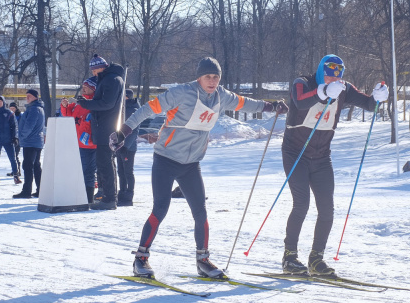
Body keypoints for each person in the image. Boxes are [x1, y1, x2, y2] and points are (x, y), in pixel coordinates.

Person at [109, 57, 289, 278]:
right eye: (207, 77)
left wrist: (272, 106)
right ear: (199, 77)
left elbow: (244, 103)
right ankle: (141, 259)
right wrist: (123, 131)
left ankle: (203, 260)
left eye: (216, 77)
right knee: (161, 208)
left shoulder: (222, 96)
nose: (212, 81)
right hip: (165, 159)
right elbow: (148, 109)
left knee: (200, 211)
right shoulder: (182, 93)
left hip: (191, 164)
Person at [279, 54, 388, 278]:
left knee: (327, 210)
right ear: (321, 72)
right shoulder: (302, 83)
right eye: (328, 75)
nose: (333, 80)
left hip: (321, 157)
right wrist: (321, 93)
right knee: (301, 204)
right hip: (295, 154)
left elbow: (368, 103)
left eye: (337, 75)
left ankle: (316, 259)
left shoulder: (343, 89)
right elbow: (300, 101)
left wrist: (378, 97)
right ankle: (289, 257)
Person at [76, 54, 125, 210]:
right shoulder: (110, 79)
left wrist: (87, 104)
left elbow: (107, 103)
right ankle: (109, 197)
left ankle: (110, 198)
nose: (93, 74)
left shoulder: (111, 80)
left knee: (105, 164)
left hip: (107, 128)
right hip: (107, 127)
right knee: (106, 164)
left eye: (94, 70)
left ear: (100, 68)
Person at [61, 78, 98, 203]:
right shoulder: (79, 103)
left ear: (93, 88)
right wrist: (64, 106)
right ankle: (81, 196)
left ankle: (88, 198)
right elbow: (68, 115)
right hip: (78, 142)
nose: (84, 88)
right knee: (79, 171)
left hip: (89, 144)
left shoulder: (94, 102)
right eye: (83, 86)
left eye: (86, 87)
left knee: (88, 172)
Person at [13, 89, 45, 199]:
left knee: (28, 166)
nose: (27, 98)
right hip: (35, 142)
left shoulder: (34, 109)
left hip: (30, 142)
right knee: (35, 166)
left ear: (36, 97)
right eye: (26, 96)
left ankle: (26, 191)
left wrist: (21, 137)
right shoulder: (36, 108)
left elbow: (29, 126)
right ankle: (40, 190)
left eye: (30, 96)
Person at [0, 95, 21, 185]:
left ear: (4, 102)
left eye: (1, 102)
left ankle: (16, 176)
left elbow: (14, 127)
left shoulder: (9, 113)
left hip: (8, 140)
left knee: (12, 158)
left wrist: (15, 137)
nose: (0, 103)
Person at [116, 89, 140, 206]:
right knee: (120, 171)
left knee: (128, 172)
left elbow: (134, 131)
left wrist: (125, 146)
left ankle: (128, 195)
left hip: (128, 148)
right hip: (120, 145)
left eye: (124, 97)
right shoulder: (121, 109)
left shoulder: (133, 110)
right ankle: (122, 193)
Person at [9, 102, 22, 177]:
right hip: (11, 137)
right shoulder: (9, 116)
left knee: (15, 155)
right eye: (10, 109)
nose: (12, 110)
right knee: (13, 155)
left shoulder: (20, 116)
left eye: (13, 108)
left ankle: (17, 171)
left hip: (18, 138)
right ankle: (14, 170)